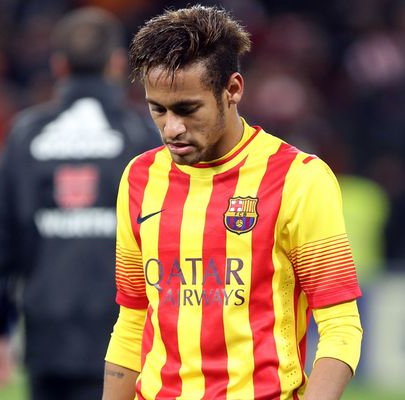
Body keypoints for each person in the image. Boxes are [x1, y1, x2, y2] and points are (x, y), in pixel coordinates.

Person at [103, 5, 363, 400]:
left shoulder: (298, 178)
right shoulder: (140, 177)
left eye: (188, 109)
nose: (172, 128)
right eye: (158, 109)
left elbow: (341, 326)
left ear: (233, 90)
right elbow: (133, 318)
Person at [0, 7, 158, 400]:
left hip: (46, 336)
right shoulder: (142, 135)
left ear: (59, 65)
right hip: (125, 339)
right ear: (116, 63)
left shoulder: (25, 134)